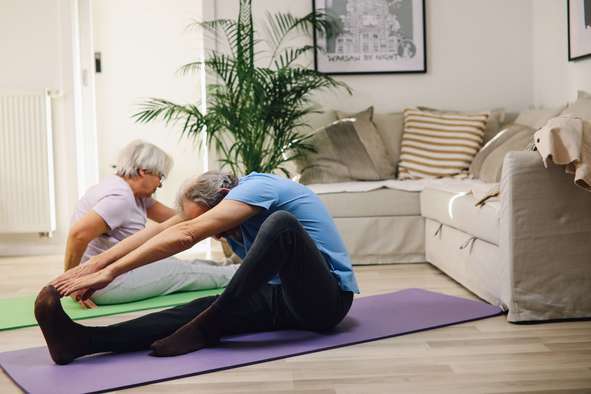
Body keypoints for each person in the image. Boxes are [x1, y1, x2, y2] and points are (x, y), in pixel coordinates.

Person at [35, 171, 359, 365]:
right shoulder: (222, 200)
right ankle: (80, 342)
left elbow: (187, 235)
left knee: (282, 225)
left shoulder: (258, 188)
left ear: (224, 196)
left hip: (325, 302)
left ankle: (208, 328)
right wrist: (95, 265)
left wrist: (112, 274)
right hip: (281, 299)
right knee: (192, 310)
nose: (212, 231)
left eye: (208, 219)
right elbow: (158, 232)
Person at [65, 140, 237, 308]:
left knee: (178, 263)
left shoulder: (134, 194)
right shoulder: (119, 198)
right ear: (143, 171)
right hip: (104, 284)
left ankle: (234, 264)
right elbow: (78, 235)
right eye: (160, 176)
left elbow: (180, 217)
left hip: (115, 272)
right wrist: (73, 283)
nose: (160, 185)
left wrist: (220, 220)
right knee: (181, 271)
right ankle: (247, 272)